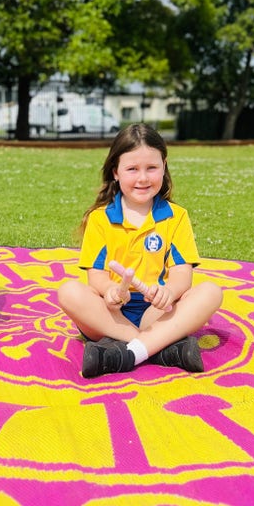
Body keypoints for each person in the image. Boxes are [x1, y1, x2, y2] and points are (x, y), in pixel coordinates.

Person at [58, 123, 223, 378]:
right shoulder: (100, 219)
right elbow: (97, 277)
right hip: (110, 317)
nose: (143, 178)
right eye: (132, 169)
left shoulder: (176, 217)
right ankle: (157, 347)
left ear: (164, 166)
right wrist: (110, 291)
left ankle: (128, 352)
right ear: (116, 172)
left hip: (156, 313)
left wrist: (168, 292)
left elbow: (182, 275)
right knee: (69, 291)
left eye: (152, 168)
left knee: (211, 292)